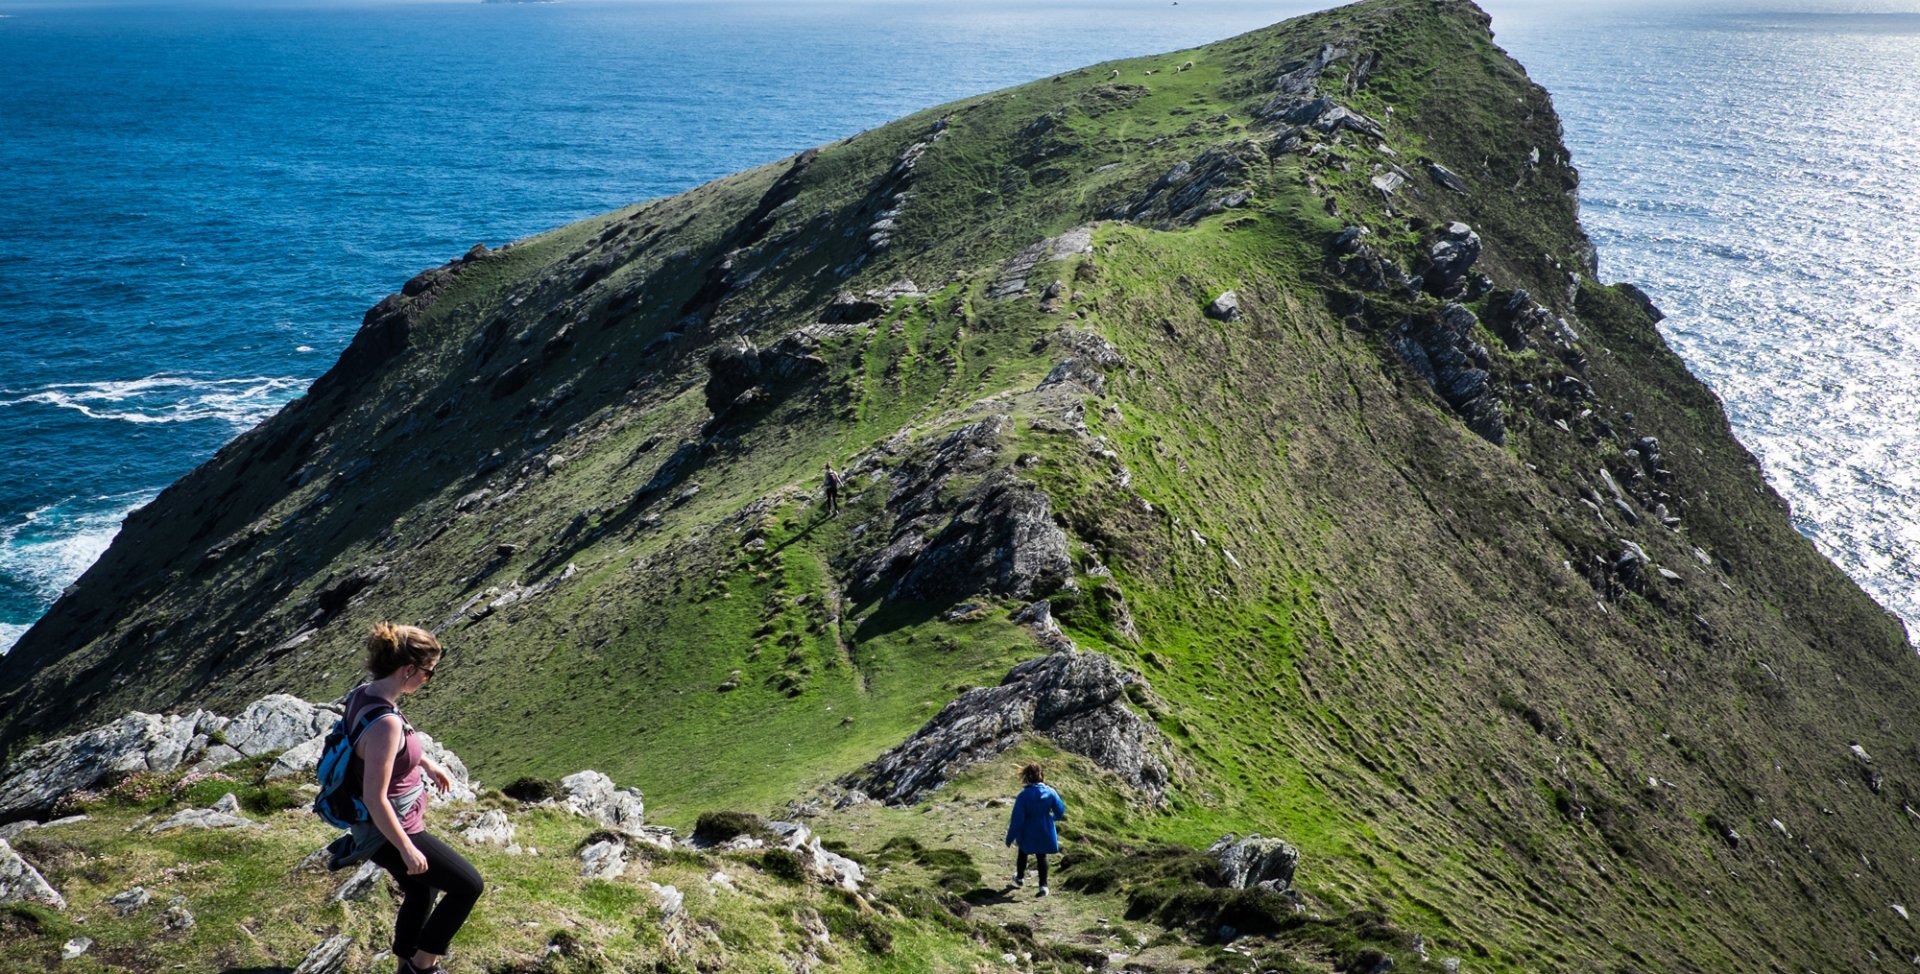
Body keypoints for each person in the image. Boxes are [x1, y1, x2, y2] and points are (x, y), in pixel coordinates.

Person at [347, 623, 483, 974]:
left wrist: (426, 761)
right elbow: (375, 797)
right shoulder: (386, 722)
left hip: (374, 826)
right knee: (468, 886)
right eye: (428, 673)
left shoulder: (364, 695)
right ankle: (423, 967)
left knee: (422, 892)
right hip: (390, 829)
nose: (427, 680)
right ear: (408, 669)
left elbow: (381, 750)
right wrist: (407, 848)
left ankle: (403, 965)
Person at [1004, 763, 1067, 897]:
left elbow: (1017, 820)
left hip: (1028, 829)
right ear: (1042, 775)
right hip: (1045, 829)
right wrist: (1052, 818)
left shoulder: (1023, 796)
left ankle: (1020, 877)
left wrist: (1010, 838)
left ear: (1027, 777)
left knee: (1023, 852)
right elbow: (1060, 811)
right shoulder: (1051, 792)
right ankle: (1043, 886)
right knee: (1041, 856)